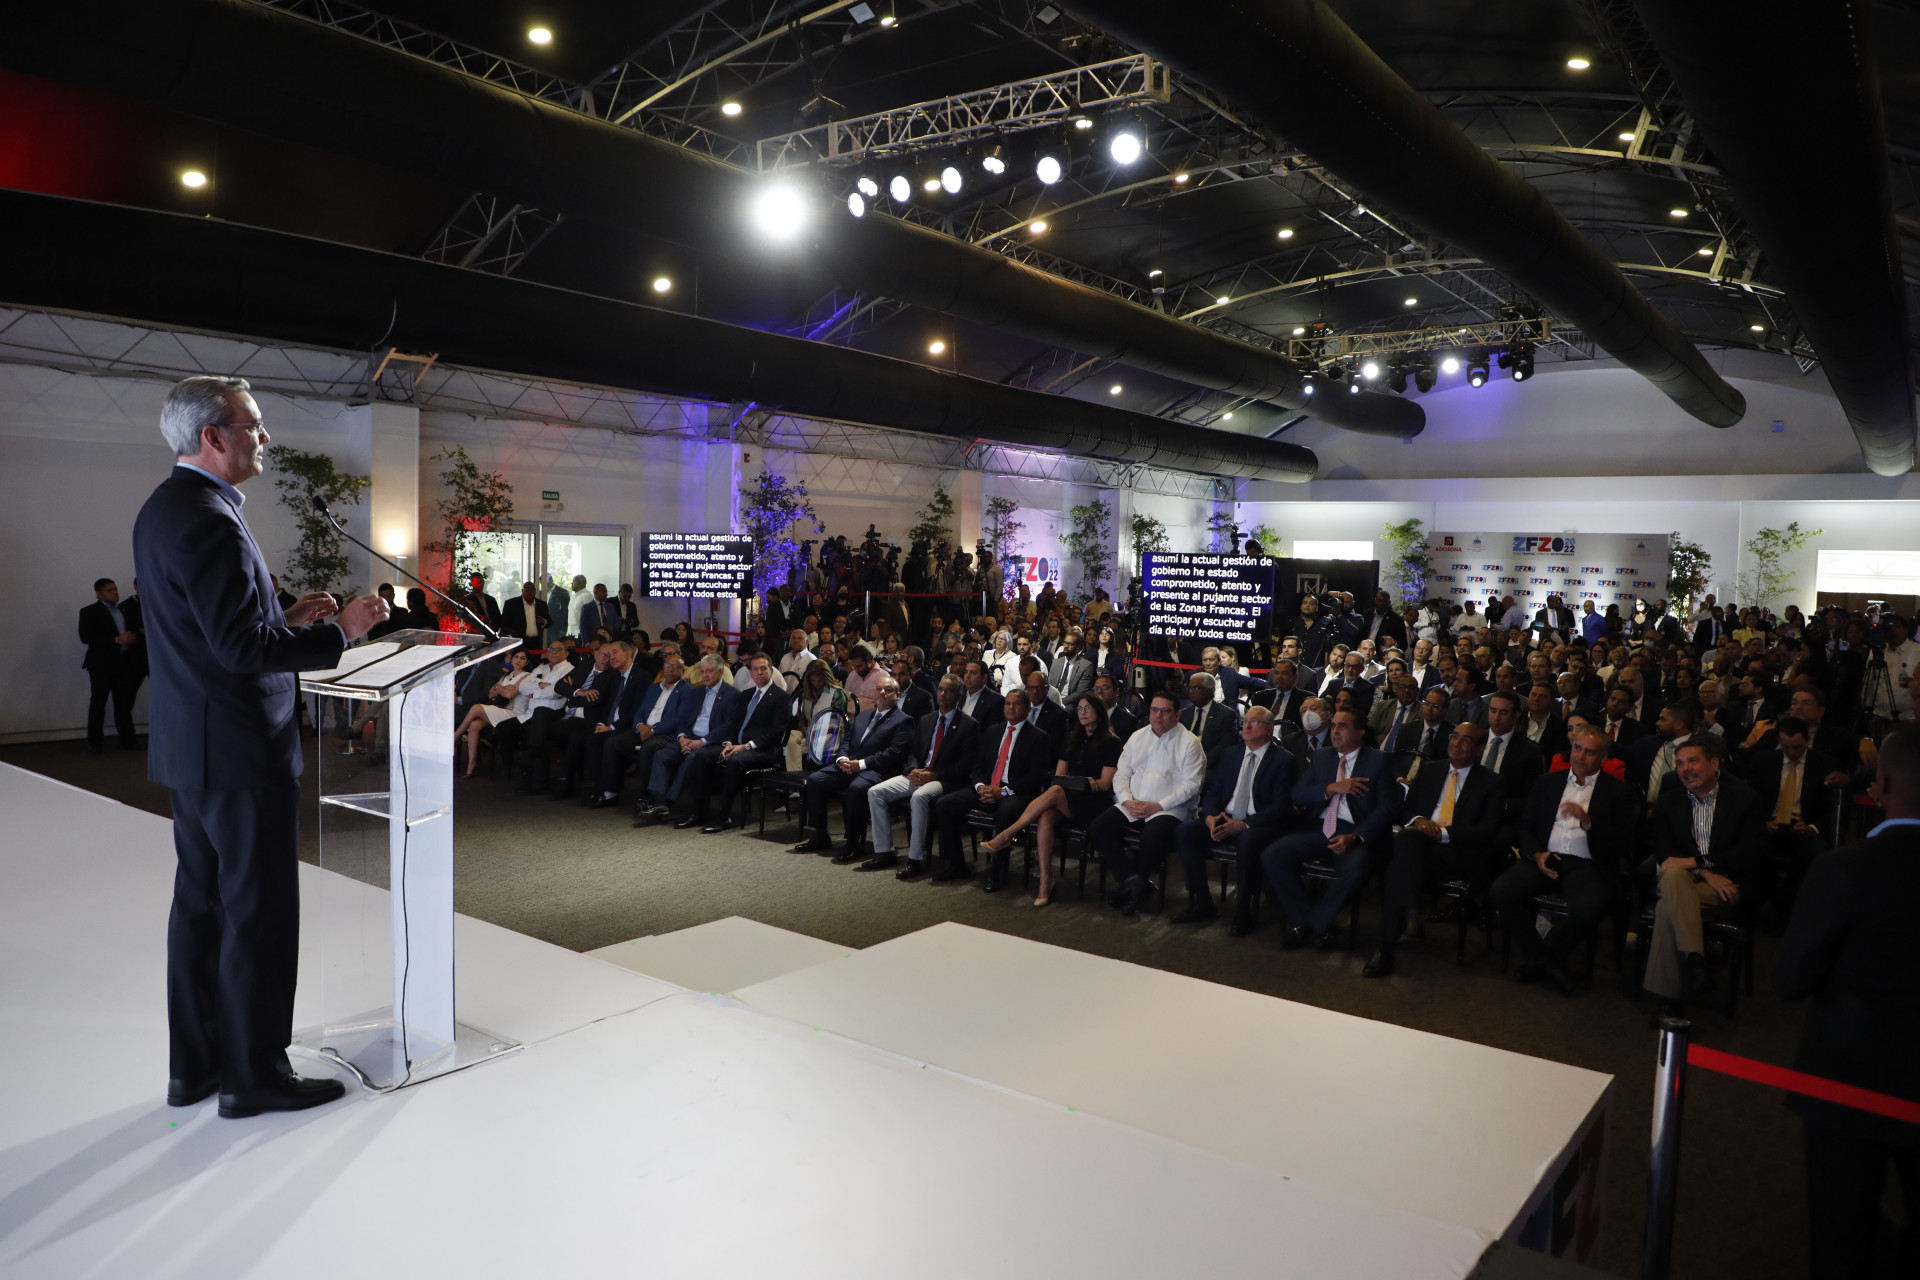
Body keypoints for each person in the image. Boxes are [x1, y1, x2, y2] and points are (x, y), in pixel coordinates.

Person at [134, 374, 388, 1118]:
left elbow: (213, 631)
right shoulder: (211, 518)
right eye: (253, 425)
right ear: (213, 436)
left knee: (202, 910)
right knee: (258, 915)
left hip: (198, 747)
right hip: (241, 751)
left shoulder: (167, 507)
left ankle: (198, 1069)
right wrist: (341, 632)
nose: (265, 437)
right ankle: (254, 1076)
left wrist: (285, 617)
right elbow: (240, 650)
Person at [1773, 726, 1920, 1280]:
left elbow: (1790, 980)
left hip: (1848, 1075)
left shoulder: (1844, 868)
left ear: (1884, 784)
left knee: (1842, 1232)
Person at [1491, 724, 1639, 996]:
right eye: (1577, 748)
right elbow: (1526, 826)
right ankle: (1544, 961)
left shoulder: (1619, 792)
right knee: (1501, 891)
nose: (1580, 756)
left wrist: (1589, 821)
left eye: (1589, 752)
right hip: (1546, 857)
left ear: (1603, 757)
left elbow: (1624, 841)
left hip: (1588, 865)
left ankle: (1546, 961)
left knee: (1586, 909)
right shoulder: (1546, 782)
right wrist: (1537, 854)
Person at [1365, 722, 1504, 978]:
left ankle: (1389, 943)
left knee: (1398, 865)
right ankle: (1397, 929)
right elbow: (1406, 809)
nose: (1456, 743)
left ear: (1480, 748)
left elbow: (1488, 831)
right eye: (1454, 736)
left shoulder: (1491, 782)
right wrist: (1419, 821)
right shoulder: (1430, 769)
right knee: (1407, 842)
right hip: (1420, 847)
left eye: (1465, 740)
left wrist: (1443, 833)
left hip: (1459, 852)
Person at [1639, 735, 1767, 1014]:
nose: (1685, 769)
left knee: (1667, 907)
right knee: (1674, 878)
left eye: (1693, 761)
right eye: (1680, 763)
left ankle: (1668, 999)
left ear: (1714, 763)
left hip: (1726, 885)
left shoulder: (1744, 799)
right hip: (1689, 879)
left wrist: (1699, 863)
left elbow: (1752, 851)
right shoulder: (1668, 801)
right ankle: (1696, 961)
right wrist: (1705, 871)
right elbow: (1664, 853)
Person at [1261, 708, 1397, 950]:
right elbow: (1297, 793)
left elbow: (1387, 809)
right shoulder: (1322, 756)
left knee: (1356, 871)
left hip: (1354, 830)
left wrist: (1356, 837)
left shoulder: (1378, 760)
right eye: (1333, 726)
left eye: (1342, 726)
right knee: (1273, 855)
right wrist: (1331, 788)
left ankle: (1309, 926)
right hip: (1320, 827)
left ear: (1360, 732)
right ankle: (1314, 921)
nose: (1335, 731)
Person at [983, 692, 1123, 906]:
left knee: (1056, 791)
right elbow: (1059, 776)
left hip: (1094, 804)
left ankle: (1006, 835)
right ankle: (1045, 881)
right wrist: (1075, 782)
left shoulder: (1111, 742)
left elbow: (1105, 784)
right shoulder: (1072, 738)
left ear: (1099, 711)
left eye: (1087, 708)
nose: (1082, 713)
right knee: (1046, 815)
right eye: (1079, 709)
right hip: (1067, 798)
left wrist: (1086, 782)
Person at [1171, 705, 1297, 930]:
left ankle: (1244, 909)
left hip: (1259, 823)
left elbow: (1281, 807)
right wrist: (1210, 816)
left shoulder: (1283, 759)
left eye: (1254, 722)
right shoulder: (1232, 754)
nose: (1246, 726)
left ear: (1269, 729)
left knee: (1248, 840)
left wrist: (1244, 824)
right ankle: (1203, 901)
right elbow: (1214, 793)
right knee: (1186, 831)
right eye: (1245, 722)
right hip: (1226, 817)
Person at [1086, 690, 1205, 915]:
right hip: (1134, 803)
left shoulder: (1190, 743)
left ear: (1177, 714)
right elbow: (1121, 775)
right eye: (1154, 710)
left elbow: (1192, 786)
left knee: (1152, 836)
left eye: (1165, 711)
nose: (1158, 716)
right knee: (1099, 827)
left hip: (1169, 809)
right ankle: (1133, 881)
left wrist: (1159, 805)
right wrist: (1126, 800)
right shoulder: (1137, 736)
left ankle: (1136, 883)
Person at [931, 689, 1056, 888]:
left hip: (1015, 791)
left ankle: (997, 873)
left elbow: (1035, 779)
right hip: (988, 786)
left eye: (1016, 704)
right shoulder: (992, 731)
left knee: (1005, 812)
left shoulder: (1039, 737)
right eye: (1007, 703)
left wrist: (1003, 792)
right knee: (944, 804)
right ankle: (957, 865)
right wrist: (981, 787)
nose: (1011, 707)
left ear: (1027, 709)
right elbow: (977, 767)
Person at [863, 676, 981, 876]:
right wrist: (914, 770)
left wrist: (934, 774)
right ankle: (884, 852)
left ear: (958, 695)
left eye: (949, 690)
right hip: (919, 774)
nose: (942, 694)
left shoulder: (969, 725)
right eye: (940, 689)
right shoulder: (927, 720)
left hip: (944, 780)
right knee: (875, 792)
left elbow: (965, 764)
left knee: (919, 797)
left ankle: (915, 859)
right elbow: (913, 753)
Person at [793, 675, 913, 859]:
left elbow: (894, 753)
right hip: (850, 764)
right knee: (814, 780)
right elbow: (847, 740)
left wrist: (861, 764)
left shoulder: (903, 720)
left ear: (898, 695)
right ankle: (820, 835)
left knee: (857, 788)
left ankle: (853, 843)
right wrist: (842, 758)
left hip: (876, 770)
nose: (882, 692)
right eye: (879, 688)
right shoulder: (864, 715)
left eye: (888, 690)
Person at [623, 651, 696, 819]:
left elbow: (680, 719)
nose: (670, 670)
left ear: (682, 670)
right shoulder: (654, 688)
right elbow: (640, 711)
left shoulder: (687, 690)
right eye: (667, 666)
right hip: (644, 730)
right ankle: (608, 791)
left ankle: (645, 796)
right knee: (613, 742)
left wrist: (652, 730)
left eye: (675, 667)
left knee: (649, 748)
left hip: (668, 734)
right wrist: (640, 726)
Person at [79, 576, 144, 753]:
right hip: (101, 665)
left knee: (124, 703)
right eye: (110, 590)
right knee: (98, 703)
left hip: (124, 663)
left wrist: (133, 636)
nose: (115, 592)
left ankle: (128, 740)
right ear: (99, 594)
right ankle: (95, 743)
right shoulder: (89, 612)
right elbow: (86, 637)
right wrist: (115, 639)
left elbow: (133, 630)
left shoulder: (123, 610)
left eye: (115, 589)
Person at [453, 648, 532, 777]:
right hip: (502, 709)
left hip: (516, 713)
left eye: (523, 658)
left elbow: (510, 694)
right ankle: (471, 766)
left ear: (527, 662)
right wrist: (502, 689)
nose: (518, 660)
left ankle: (455, 737)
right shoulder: (507, 675)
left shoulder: (527, 676)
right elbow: (491, 694)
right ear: (511, 659)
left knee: (476, 708)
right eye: (516, 657)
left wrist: (499, 688)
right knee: (474, 725)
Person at [1180, 672, 1238, 776]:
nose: (1191, 691)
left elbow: (1225, 745)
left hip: (1209, 767)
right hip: (1183, 764)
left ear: (1210, 690)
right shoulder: (1183, 714)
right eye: (1190, 687)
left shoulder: (1226, 714)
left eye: (1196, 688)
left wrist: (1200, 762)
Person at [502, 580, 549, 655]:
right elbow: (504, 625)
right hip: (518, 642)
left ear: (535, 591)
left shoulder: (542, 605)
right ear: (522, 590)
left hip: (536, 643)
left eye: (532, 589)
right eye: (527, 589)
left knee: (535, 661)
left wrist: (543, 621)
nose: (530, 591)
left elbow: (550, 622)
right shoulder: (511, 604)